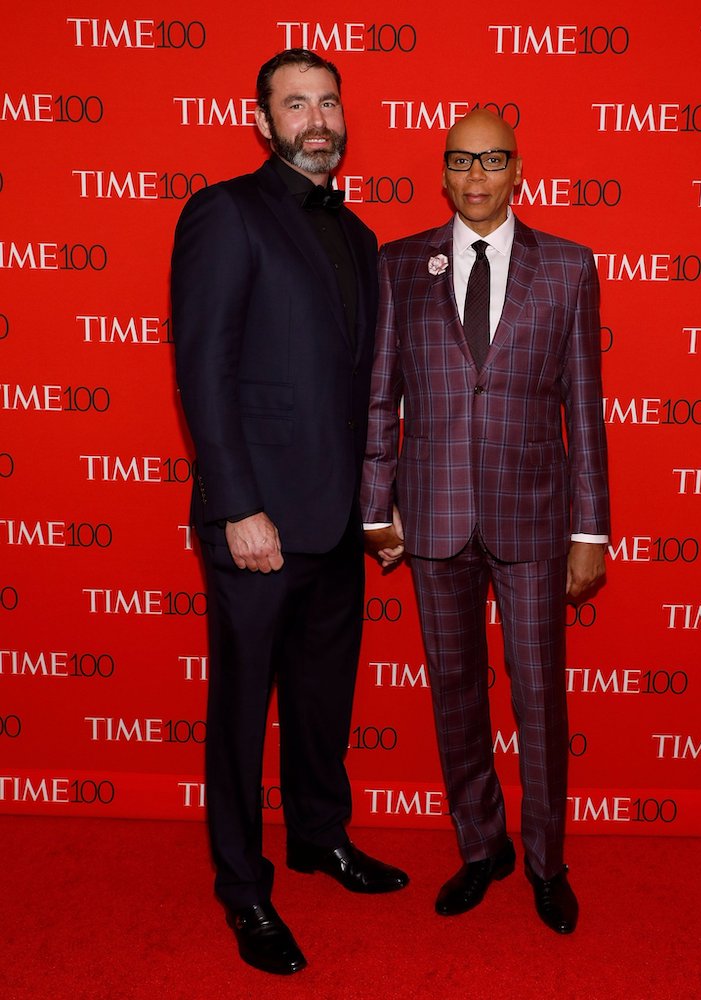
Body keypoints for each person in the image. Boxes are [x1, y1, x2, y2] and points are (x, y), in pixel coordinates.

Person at [171, 48, 408, 976]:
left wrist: (373, 502)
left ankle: (320, 837)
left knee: (321, 699)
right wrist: (238, 506)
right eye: (296, 104)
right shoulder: (226, 212)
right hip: (258, 521)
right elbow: (204, 367)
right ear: (263, 123)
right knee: (241, 709)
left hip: (339, 517)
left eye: (330, 102)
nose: (318, 118)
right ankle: (243, 886)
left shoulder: (355, 234)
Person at [361, 109, 609, 935]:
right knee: (457, 693)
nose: (475, 176)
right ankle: (482, 849)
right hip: (431, 516)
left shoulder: (569, 268)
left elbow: (586, 408)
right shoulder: (400, 263)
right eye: (461, 160)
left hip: (536, 519)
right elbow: (379, 400)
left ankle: (545, 861)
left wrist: (590, 530)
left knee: (539, 697)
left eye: (492, 159)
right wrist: (374, 507)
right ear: (442, 170)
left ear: (517, 169)